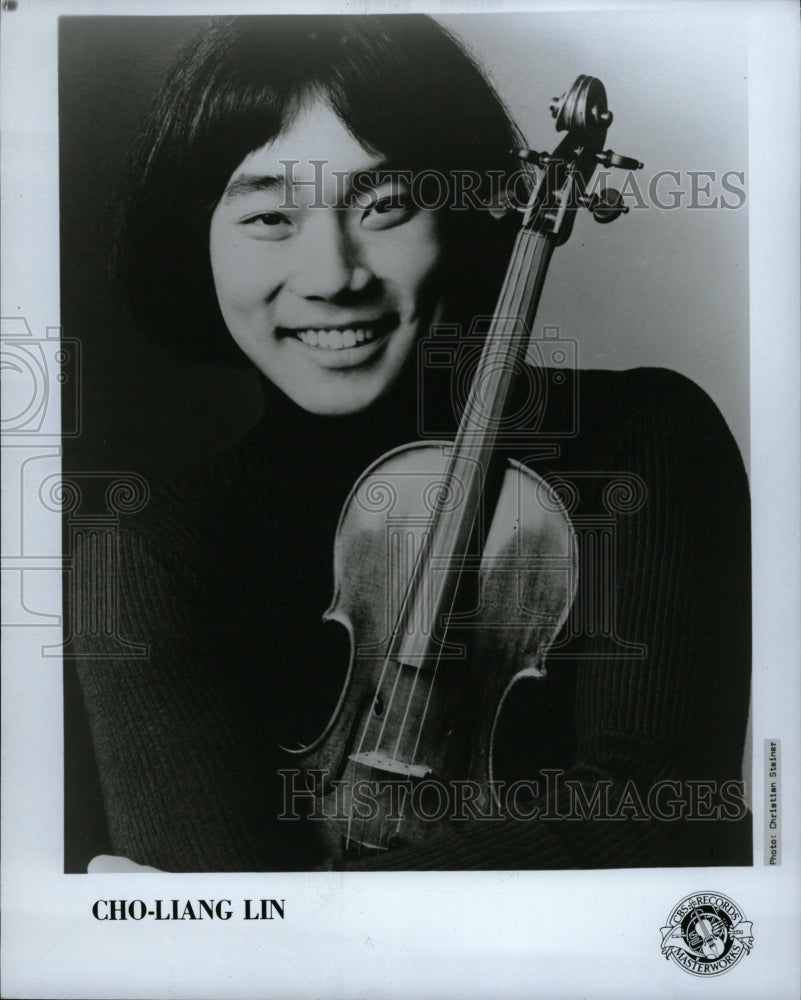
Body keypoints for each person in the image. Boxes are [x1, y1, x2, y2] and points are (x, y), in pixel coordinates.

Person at [71, 14, 751, 872]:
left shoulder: (641, 444)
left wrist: (313, 906)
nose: (331, 277)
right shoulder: (148, 552)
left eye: (385, 205)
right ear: (192, 239)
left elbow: (663, 819)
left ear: (470, 212)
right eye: (269, 217)